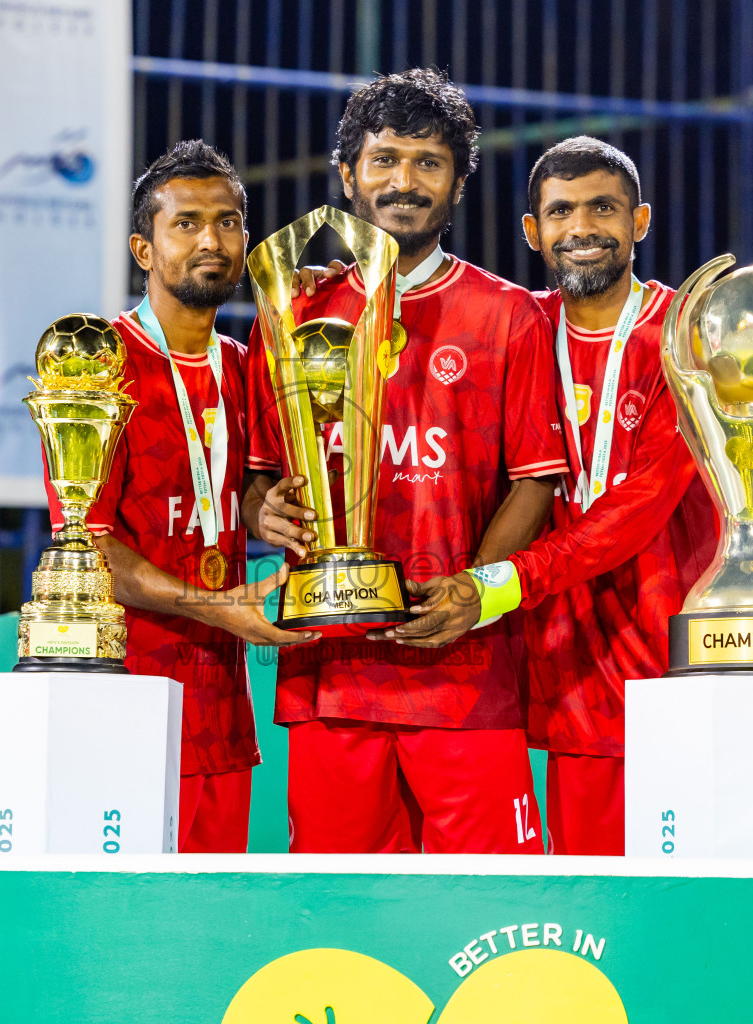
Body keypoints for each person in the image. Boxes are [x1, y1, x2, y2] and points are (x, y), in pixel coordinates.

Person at [242, 69, 568, 855]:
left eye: (429, 162)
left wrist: (472, 595)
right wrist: (262, 510)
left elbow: (535, 485)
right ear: (348, 174)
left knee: (490, 914)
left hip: (465, 680)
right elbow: (256, 476)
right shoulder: (292, 313)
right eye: (385, 159)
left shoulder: (509, 315)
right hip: (333, 673)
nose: (404, 181)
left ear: (458, 184)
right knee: (342, 920)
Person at [393, 137, 717, 855]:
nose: (581, 229)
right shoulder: (514, 326)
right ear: (533, 232)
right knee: (579, 903)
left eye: (603, 208)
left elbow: (638, 509)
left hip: (662, 662)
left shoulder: (686, 340)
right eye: (561, 212)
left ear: (640, 221)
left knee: (674, 914)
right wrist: (349, 281)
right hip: (559, 666)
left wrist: (500, 581)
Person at [45, 139, 315, 853]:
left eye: (228, 222)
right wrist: (218, 606)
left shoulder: (247, 365)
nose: (211, 240)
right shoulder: (99, 364)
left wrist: (270, 510)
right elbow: (91, 546)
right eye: (187, 223)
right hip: (125, 695)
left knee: (212, 925)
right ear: (144, 246)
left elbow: (241, 492)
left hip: (222, 710)